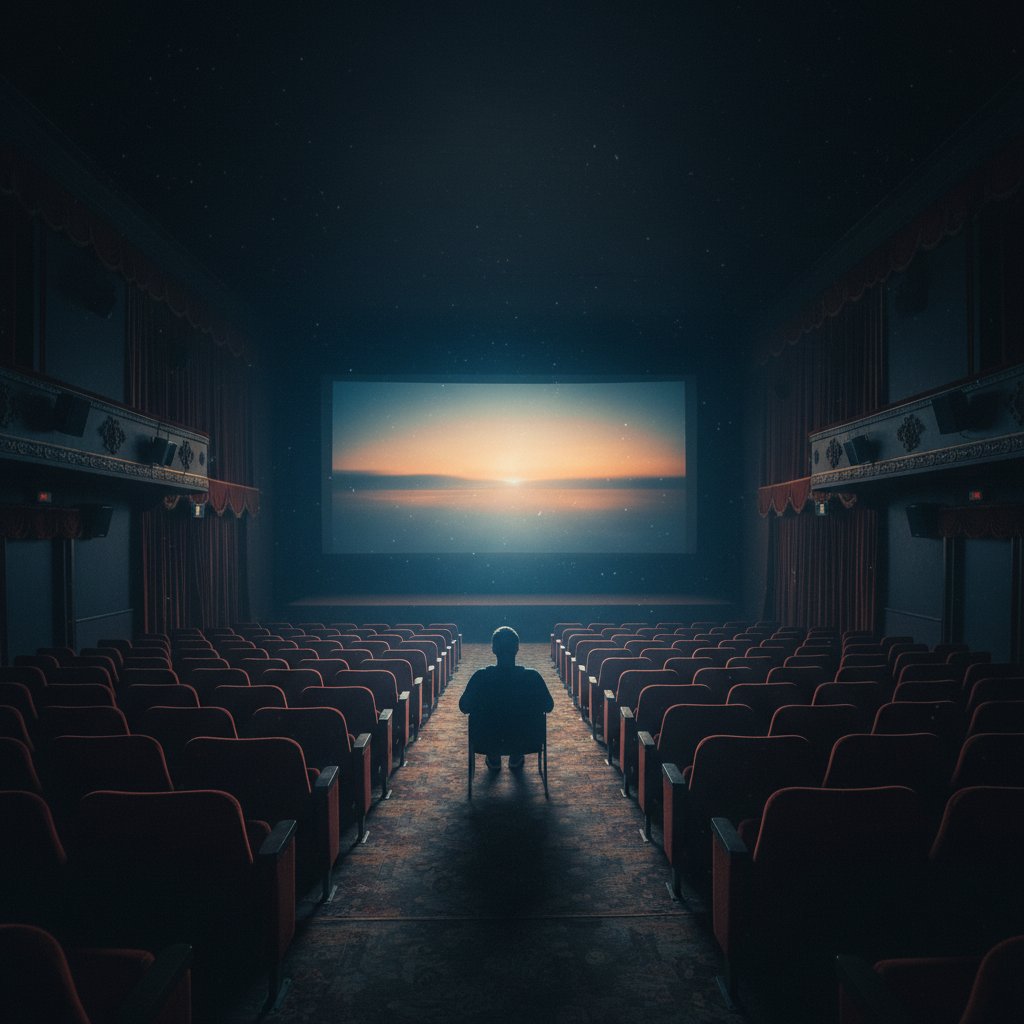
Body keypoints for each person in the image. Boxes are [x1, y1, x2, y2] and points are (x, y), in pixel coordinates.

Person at [459, 626, 553, 770]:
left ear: (493, 649)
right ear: (517, 649)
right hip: (526, 741)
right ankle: (516, 753)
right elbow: (548, 706)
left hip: (486, 741)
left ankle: (493, 754)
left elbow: (464, 707)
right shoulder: (533, 677)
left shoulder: (480, 677)